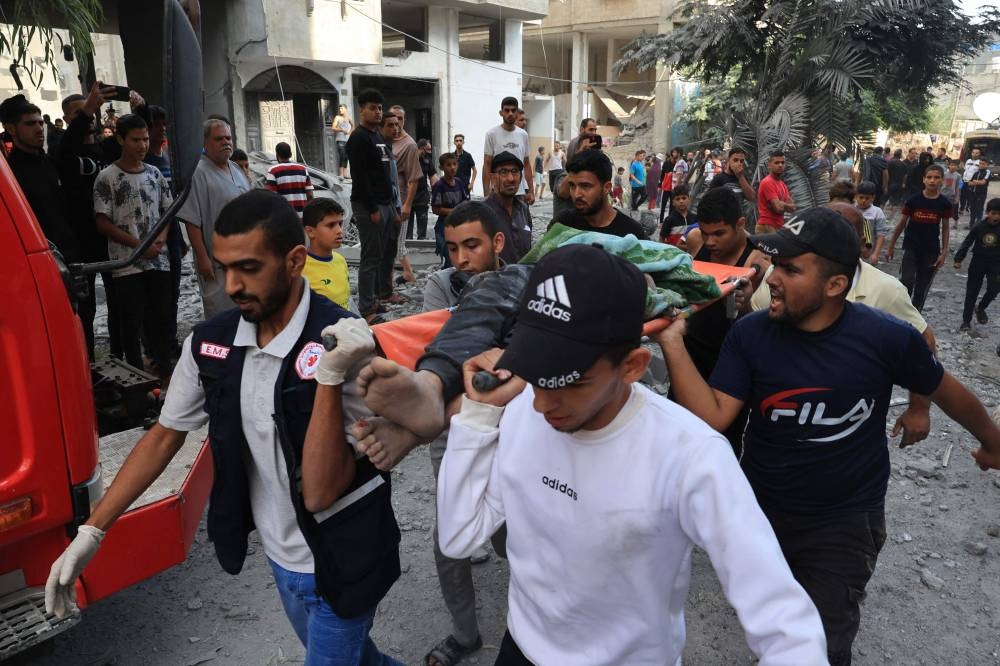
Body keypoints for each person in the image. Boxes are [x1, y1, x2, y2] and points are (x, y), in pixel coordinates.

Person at [45, 190, 404, 666]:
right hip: (283, 561)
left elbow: (339, 477)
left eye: (249, 268)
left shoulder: (345, 342)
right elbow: (164, 436)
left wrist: (331, 379)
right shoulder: (211, 344)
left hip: (346, 555)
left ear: (294, 260)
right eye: (223, 266)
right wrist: (93, 530)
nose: (231, 284)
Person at [436, 243, 829, 665]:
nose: (542, 403)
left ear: (633, 365)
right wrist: (478, 415)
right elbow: (459, 537)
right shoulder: (517, 413)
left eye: (571, 382)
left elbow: (779, 614)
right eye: (536, 375)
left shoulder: (690, 456)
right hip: (523, 649)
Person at [657, 206, 1000, 665]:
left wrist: (992, 441)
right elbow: (715, 416)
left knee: (820, 642)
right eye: (775, 263)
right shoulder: (751, 335)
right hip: (760, 512)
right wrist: (673, 343)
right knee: (773, 621)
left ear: (836, 285)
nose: (772, 277)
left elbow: (946, 389)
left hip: (844, 520)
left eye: (791, 269)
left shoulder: (886, 338)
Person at [421, 202, 504, 666]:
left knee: (513, 533)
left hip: (509, 423)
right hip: (454, 424)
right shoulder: (440, 286)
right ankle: (465, 633)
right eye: (452, 248)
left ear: (496, 243)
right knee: (449, 532)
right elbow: (446, 353)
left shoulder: (522, 281)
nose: (461, 258)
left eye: (471, 245)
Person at [673, 187, 767, 453]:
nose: (710, 242)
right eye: (706, 233)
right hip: (691, 349)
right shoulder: (695, 239)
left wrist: (746, 302)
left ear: (739, 224)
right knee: (679, 430)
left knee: (722, 440)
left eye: (719, 234)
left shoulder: (756, 259)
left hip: (729, 361)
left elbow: (759, 323)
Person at [92, 113, 173, 376]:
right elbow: (102, 223)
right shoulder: (108, 177)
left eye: (145, 139)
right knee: (131, 322)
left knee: (160, 318)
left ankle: (163, 368)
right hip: (126, 265)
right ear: (120, 139)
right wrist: (139, 246)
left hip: (158, 260)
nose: (142, 145)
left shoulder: (154, 174)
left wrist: (159, 240)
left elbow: (167, 211)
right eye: (135, 140)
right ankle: (138, 377)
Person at [55, 83, 120, 359]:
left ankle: (120, 358)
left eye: (91, 113)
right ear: (68, 120)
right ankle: (89, 364)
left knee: (119, 305)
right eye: (81, 113)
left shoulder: (103, 151)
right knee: (86, 310)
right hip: (80, 245)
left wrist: (140, 108)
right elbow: (68, 144)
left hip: (110, 241)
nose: (89, 118)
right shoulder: (62, 153)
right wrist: (88, 108)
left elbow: (133, 138)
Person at [177, 118, 251, 319]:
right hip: (216, 258)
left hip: (245, 254)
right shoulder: (198, 172)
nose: (226, 142)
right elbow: (192, 219)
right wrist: (202, 257)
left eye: (228, 138)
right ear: (205, 143)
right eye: (219, 139)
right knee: (221, 312)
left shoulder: (235, 168)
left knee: (247, 309)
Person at [0, 94, 79, 263]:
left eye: (40, 123)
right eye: (30, 124)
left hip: (72, 256)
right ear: (11, 129)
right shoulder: (9, 174)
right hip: (38, 260)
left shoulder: (51, 163)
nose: (38, 128)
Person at [345, 88, 395, 323]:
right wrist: (373, 208)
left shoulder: (378, 137)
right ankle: (366, 308)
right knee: (370, 257)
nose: (378, 112)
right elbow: (361, 177)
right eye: (373, 108)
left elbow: (384, 175)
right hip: (368, 206)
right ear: (361, 109)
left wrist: (391, 207)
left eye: (380, 108)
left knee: (380, 255)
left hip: (385, 204)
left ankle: (374, 298)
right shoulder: (359, 138)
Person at [886, 164, 952, 312]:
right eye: (929, 177)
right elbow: (901, 224)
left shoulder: (944, 204)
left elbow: (945, 227)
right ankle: (903, 312)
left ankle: (916, 318)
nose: (932, 181)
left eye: (936, 178)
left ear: (942, 180)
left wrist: (944, 252)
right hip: (911, 247)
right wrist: (890, 246)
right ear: (924, 179)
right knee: (906, 281)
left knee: (922, 288)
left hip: (931, 250)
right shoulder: (913, 200)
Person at [550, 149, 647, 238]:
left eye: (585, 186)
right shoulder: (562, 225)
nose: (576, 194)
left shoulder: (631, 233)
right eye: (572, 185)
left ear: (607, 188)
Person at [954, 198, 1000, 332]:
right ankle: (966, 321)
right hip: (978, 262)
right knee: (972, 292)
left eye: (999, 214)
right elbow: (967, 242)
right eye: (993, 213)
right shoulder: (979, 226)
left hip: (996, 264)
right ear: (987, 212)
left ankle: (981, 308)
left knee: (994, 288)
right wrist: (958, 259)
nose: (996, 216)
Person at [483, 151, 532, 263]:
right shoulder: (483, 212)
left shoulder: (523, 209)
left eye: (515, 172)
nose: (511, 178)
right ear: (493, 178)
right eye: (504, 172)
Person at [302, 197, 351, 310]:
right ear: (310, 231)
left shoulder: (340, 260)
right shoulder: (300, 268)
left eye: (340, 223)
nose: (339, 230)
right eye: (331, 225)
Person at [482, 97, 533, 204]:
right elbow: (487, 164)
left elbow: (527, 164)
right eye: (507, 110)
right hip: (498, 191)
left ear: (517, 113)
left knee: (521, 220)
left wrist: (531, 191)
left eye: (513, 110)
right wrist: (486, 193)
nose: (510, 113)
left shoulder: (523, 135)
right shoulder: (492, 134)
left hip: (519, 192)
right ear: (501, 113)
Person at [431, 152, 471, 269]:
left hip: (459, 223)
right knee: (448, 252)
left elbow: (465, 200)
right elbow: (435, 209)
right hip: (445, 224)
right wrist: (454, 211)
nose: (452, 167)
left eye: (454, 164)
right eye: (448, 165)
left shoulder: (458, 182)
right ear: (441, 167)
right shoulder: (439, 186)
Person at [265, 141, 314, 218]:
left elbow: (271, 197)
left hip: (284, 218)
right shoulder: (303, 169)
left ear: (277, 155)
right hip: (301, 217)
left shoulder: (273, 171)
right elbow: (310, 195)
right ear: (290, 154)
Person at [756, 150, 796, 233]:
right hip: (766, 226)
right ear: (769, 165)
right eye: (777, 163)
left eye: (782, 162)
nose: (780, 165)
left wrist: (781, 204)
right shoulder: (767, 182)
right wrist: (784, 205)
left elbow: (793, 208)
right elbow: (778, 208)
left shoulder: (782, 184)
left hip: (777, 226)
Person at [855, 181, 888, 264]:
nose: (863, 200)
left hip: (869, 252)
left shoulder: (877, 212)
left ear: (873, 198)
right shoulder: (851, 209)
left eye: (867, 198)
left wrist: (876, 254)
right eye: (861, 197)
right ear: (856, 196)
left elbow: (880, 234)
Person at [965, 157, 992, 229]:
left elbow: (983, 182)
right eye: (980, 163)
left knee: (979, 209)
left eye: (983, 164)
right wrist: (976, 182)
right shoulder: (976, 173)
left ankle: (978, 226)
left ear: (987, 165)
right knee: (972, 209)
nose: (981, 165)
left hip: (981, 194)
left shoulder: (987, 172)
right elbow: (969, 183)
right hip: (973, 194)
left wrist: (975, 182)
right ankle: (971, 225)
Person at [332, 103, 354, 178]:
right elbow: (333, 128)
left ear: (345, 109)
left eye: (342, 108)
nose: (340, 110)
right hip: (340, 140)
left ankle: (344, 174)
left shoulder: (348, 118)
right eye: (340, 109)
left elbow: (353, 125)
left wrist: (350, 132)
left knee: (346, 157)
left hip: (347, 140)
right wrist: (341, 130)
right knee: (342, 156)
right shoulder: (337, 117)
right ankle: (341, 174)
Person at [942, 158, 963, 229]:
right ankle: (942, 223)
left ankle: (955, 224)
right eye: (951, 165)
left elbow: (959, 187)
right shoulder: (944, 174)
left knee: (954, 211)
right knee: (942, 210)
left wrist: (957, 197)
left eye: (955, 165)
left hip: (952, 196)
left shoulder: (958, 176)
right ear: (949, 166)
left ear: (957, 167)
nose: (953, 167)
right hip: (943, 195)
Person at [885, 149, 908, 213]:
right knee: (895, 202)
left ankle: (882, 216)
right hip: (899, 185)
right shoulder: (903, 164)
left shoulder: (889, 163)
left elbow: (886, 173)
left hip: (889, 184)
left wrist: (885, 184)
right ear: (900, 156)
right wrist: (903, 183)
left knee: (883, 200)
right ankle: (891, 218)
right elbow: (905, 175)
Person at [961, 147, 982, 213]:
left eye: (977, 153)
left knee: (970, 196)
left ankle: (968, 208)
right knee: (962, 196)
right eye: (973, 153)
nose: (975, 154)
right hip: (964, 181)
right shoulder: (968, 160)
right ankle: (961, 208)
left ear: (979, 154)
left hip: (972, 182)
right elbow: (965, 170)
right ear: (971, 153)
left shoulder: (980, 162)